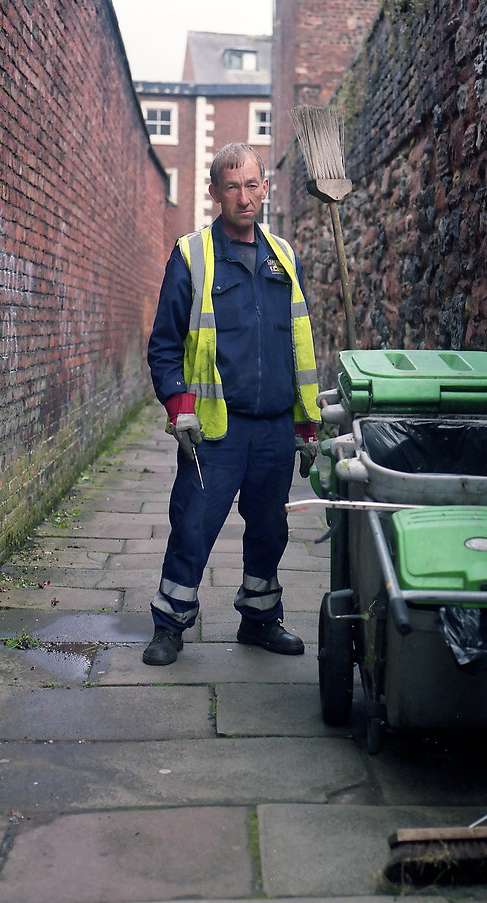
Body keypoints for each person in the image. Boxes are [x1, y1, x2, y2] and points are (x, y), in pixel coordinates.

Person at [143, 142, 321, 667]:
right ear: (215, 192)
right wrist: (179, 407)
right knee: (193, 524)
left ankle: (261, 619)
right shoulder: (192, 254)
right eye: (232, 186)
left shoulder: (284, 256)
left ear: (264, 187)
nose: (244, 197)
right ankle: (170, 624)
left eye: (252, 185)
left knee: (270, 530)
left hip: (272, 429)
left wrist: (306, 424)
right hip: (216, 429)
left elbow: (300, 345)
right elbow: (164, 344)